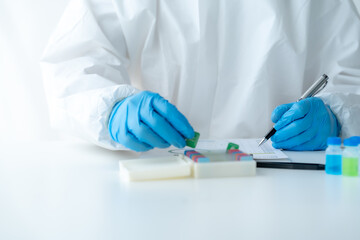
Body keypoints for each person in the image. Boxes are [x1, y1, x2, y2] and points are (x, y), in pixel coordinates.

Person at [41, 0, 360, 152]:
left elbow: (354, 71)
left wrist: (338, 114)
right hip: (164, 176)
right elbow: (75, 61)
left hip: (290, 181)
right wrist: (110, 110)